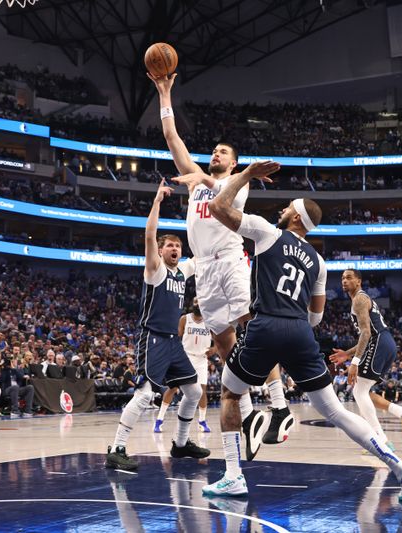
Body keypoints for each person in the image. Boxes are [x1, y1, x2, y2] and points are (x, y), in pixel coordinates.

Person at [200, 162, 402, 501]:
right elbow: (316, 318)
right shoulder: (319, 262)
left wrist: (245, 175)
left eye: (287, 207)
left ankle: (233, 476)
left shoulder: (265, 231)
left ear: (296, 218)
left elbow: (217, 208)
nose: (282, 209)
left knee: (230, 393)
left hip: (265, 325)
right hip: (301, 333)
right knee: (336, 411)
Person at [150, 71, 290, 458]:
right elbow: (171, 138)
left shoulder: (239, 184)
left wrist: (217, 174)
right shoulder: (197, 181)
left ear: (235, 162)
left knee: (253, 327)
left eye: (223, 152)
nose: (216, 154)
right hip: (205, 269)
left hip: (231, 260)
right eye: (213, 151)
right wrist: (165, 93)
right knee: (226, 343)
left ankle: (278, 405)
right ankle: (246, 413)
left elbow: (220, 198)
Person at [104, 180, 210, 471]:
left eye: (178, 245)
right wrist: (157, 202)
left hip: (173, 343)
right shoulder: (156, 270)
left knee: (194, 392)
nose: (175, 248)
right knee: (145, 394)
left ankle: (180, 443)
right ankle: (118, 448)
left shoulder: (182, 272)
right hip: (152, 339)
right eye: (170, 245)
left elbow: (203, 254)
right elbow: (150, 234)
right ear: (161, 251)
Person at [329, 270, 402, 447]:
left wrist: (354, 362)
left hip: (379, 343)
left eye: (349, 278)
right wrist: (347, 353)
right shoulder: (359, 300)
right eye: (342, 278)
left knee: (358, 391)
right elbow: (368, 335)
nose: (344, 281)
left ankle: (380, 439)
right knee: (365, 392)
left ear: (359, 281)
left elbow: (367, 333)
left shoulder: (359, 299)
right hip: (385, 344)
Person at [155, 298, 215, 434]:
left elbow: (218, 339)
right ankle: (159, 420)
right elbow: (176, 337)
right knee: (173, 387)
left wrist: (215, 349)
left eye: (200, 302)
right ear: (192, 305)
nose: (197, 304)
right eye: (195, 302)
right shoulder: (184, 319)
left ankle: (202, 421)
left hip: (201, 359)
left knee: (202, 391)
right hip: (185, 357)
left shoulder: (209, 321)